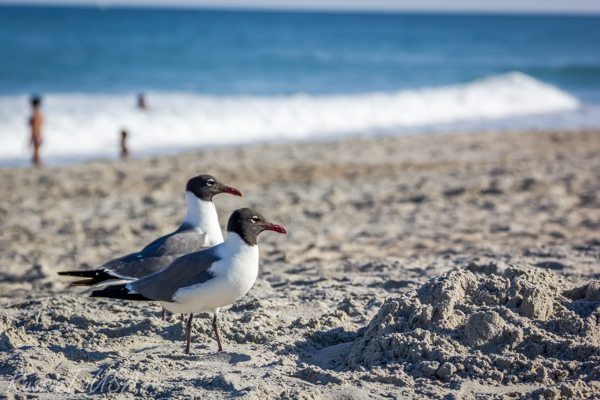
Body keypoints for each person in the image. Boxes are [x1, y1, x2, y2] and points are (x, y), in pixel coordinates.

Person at [29, 95, 44, 167]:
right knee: (37, 153)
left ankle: (39, 166)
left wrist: (31, 139)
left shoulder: (35, 115)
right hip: (40, 136)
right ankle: (39, 165)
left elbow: (34, 128)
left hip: (36, 136)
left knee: (36, 154)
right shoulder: (40, 114)